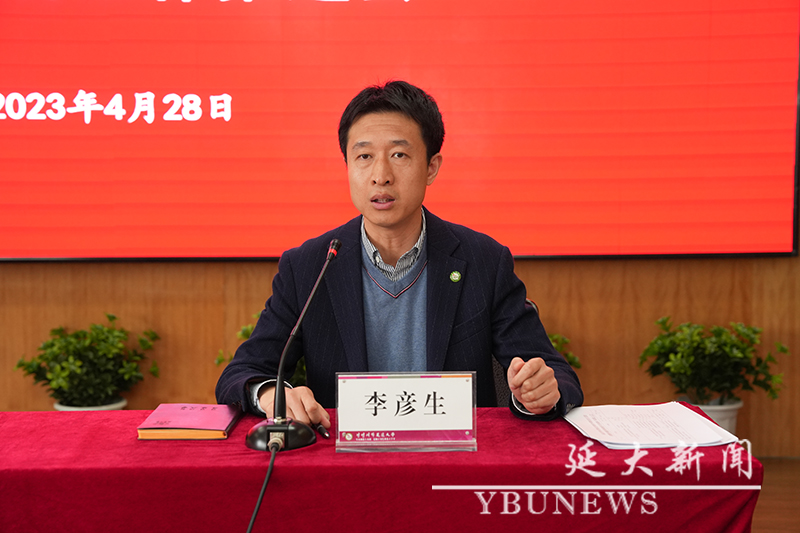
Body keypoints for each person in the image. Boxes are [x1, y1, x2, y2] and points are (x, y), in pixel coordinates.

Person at [216, 80, 583, 431]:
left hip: (455, 461)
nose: (381, 175)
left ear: (431, 167)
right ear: (348, 166)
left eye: (399, 155)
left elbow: (557, 375)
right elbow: (242, 373)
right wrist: (270, 393)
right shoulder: (310, 266)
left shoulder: (483, 261)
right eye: (364, 156)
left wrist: (538, 392)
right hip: (345, 463)